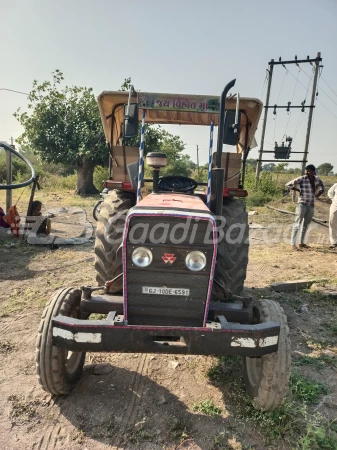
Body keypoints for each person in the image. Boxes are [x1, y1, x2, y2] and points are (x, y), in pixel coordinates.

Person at [286, 164, 325, 251]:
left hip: (311, 205)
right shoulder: (302, 178)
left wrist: (316, 196)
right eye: (306, 171)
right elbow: (288, 184)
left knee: (305, 225)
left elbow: (323, 188)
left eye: (309, 171)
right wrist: (298, 190)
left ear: (313, 172)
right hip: (302, 204)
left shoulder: (317, 179)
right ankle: (292, 244)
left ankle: (301, 243)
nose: (307, 172)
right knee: (297, 224)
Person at [327, 182, 337, 249]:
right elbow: (330, 192)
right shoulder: (336, 185)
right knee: (332, 222)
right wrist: (333, 200)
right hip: (335, 206)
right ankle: (334, 242)